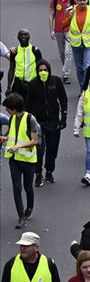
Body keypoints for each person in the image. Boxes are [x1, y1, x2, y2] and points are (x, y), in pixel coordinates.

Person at [24, 60, 67, 186]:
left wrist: (63, 117)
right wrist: (28, 122)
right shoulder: (33, 84)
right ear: (37, 71)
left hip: (53, 122)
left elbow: (63, 99)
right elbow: (28, 104)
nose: (43, 72)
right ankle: (38, 173)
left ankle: (49, 171)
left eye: (45, 70)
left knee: (52, 149)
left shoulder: (56, 81)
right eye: (40, 70)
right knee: (39, 150)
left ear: (49, 70)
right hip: (38, 123)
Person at [3, 93, 40, 229]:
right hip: (14, 159)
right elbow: (11, 133)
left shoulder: (30, 119)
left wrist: (18, 146)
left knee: (28, 187)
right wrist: (4, 138)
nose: (6, 110)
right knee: (16, 189)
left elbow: (34, 140)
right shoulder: (12, 118)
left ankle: (29, 207)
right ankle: (21, 217)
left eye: (7, 108)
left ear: (13, 108)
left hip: (28, 160)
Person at [6, 29, 43, 98]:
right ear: (17, 37)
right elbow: (11, 69)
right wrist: (8, 87)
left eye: (26, 35)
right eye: (21, 35)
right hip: (18, 84)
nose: (23, 36)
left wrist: (41, 84)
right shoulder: (14, 52)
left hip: (32, 83)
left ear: (29, 37)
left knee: (31, 107)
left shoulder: (35, 50)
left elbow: (41, 69)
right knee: (18, 107)